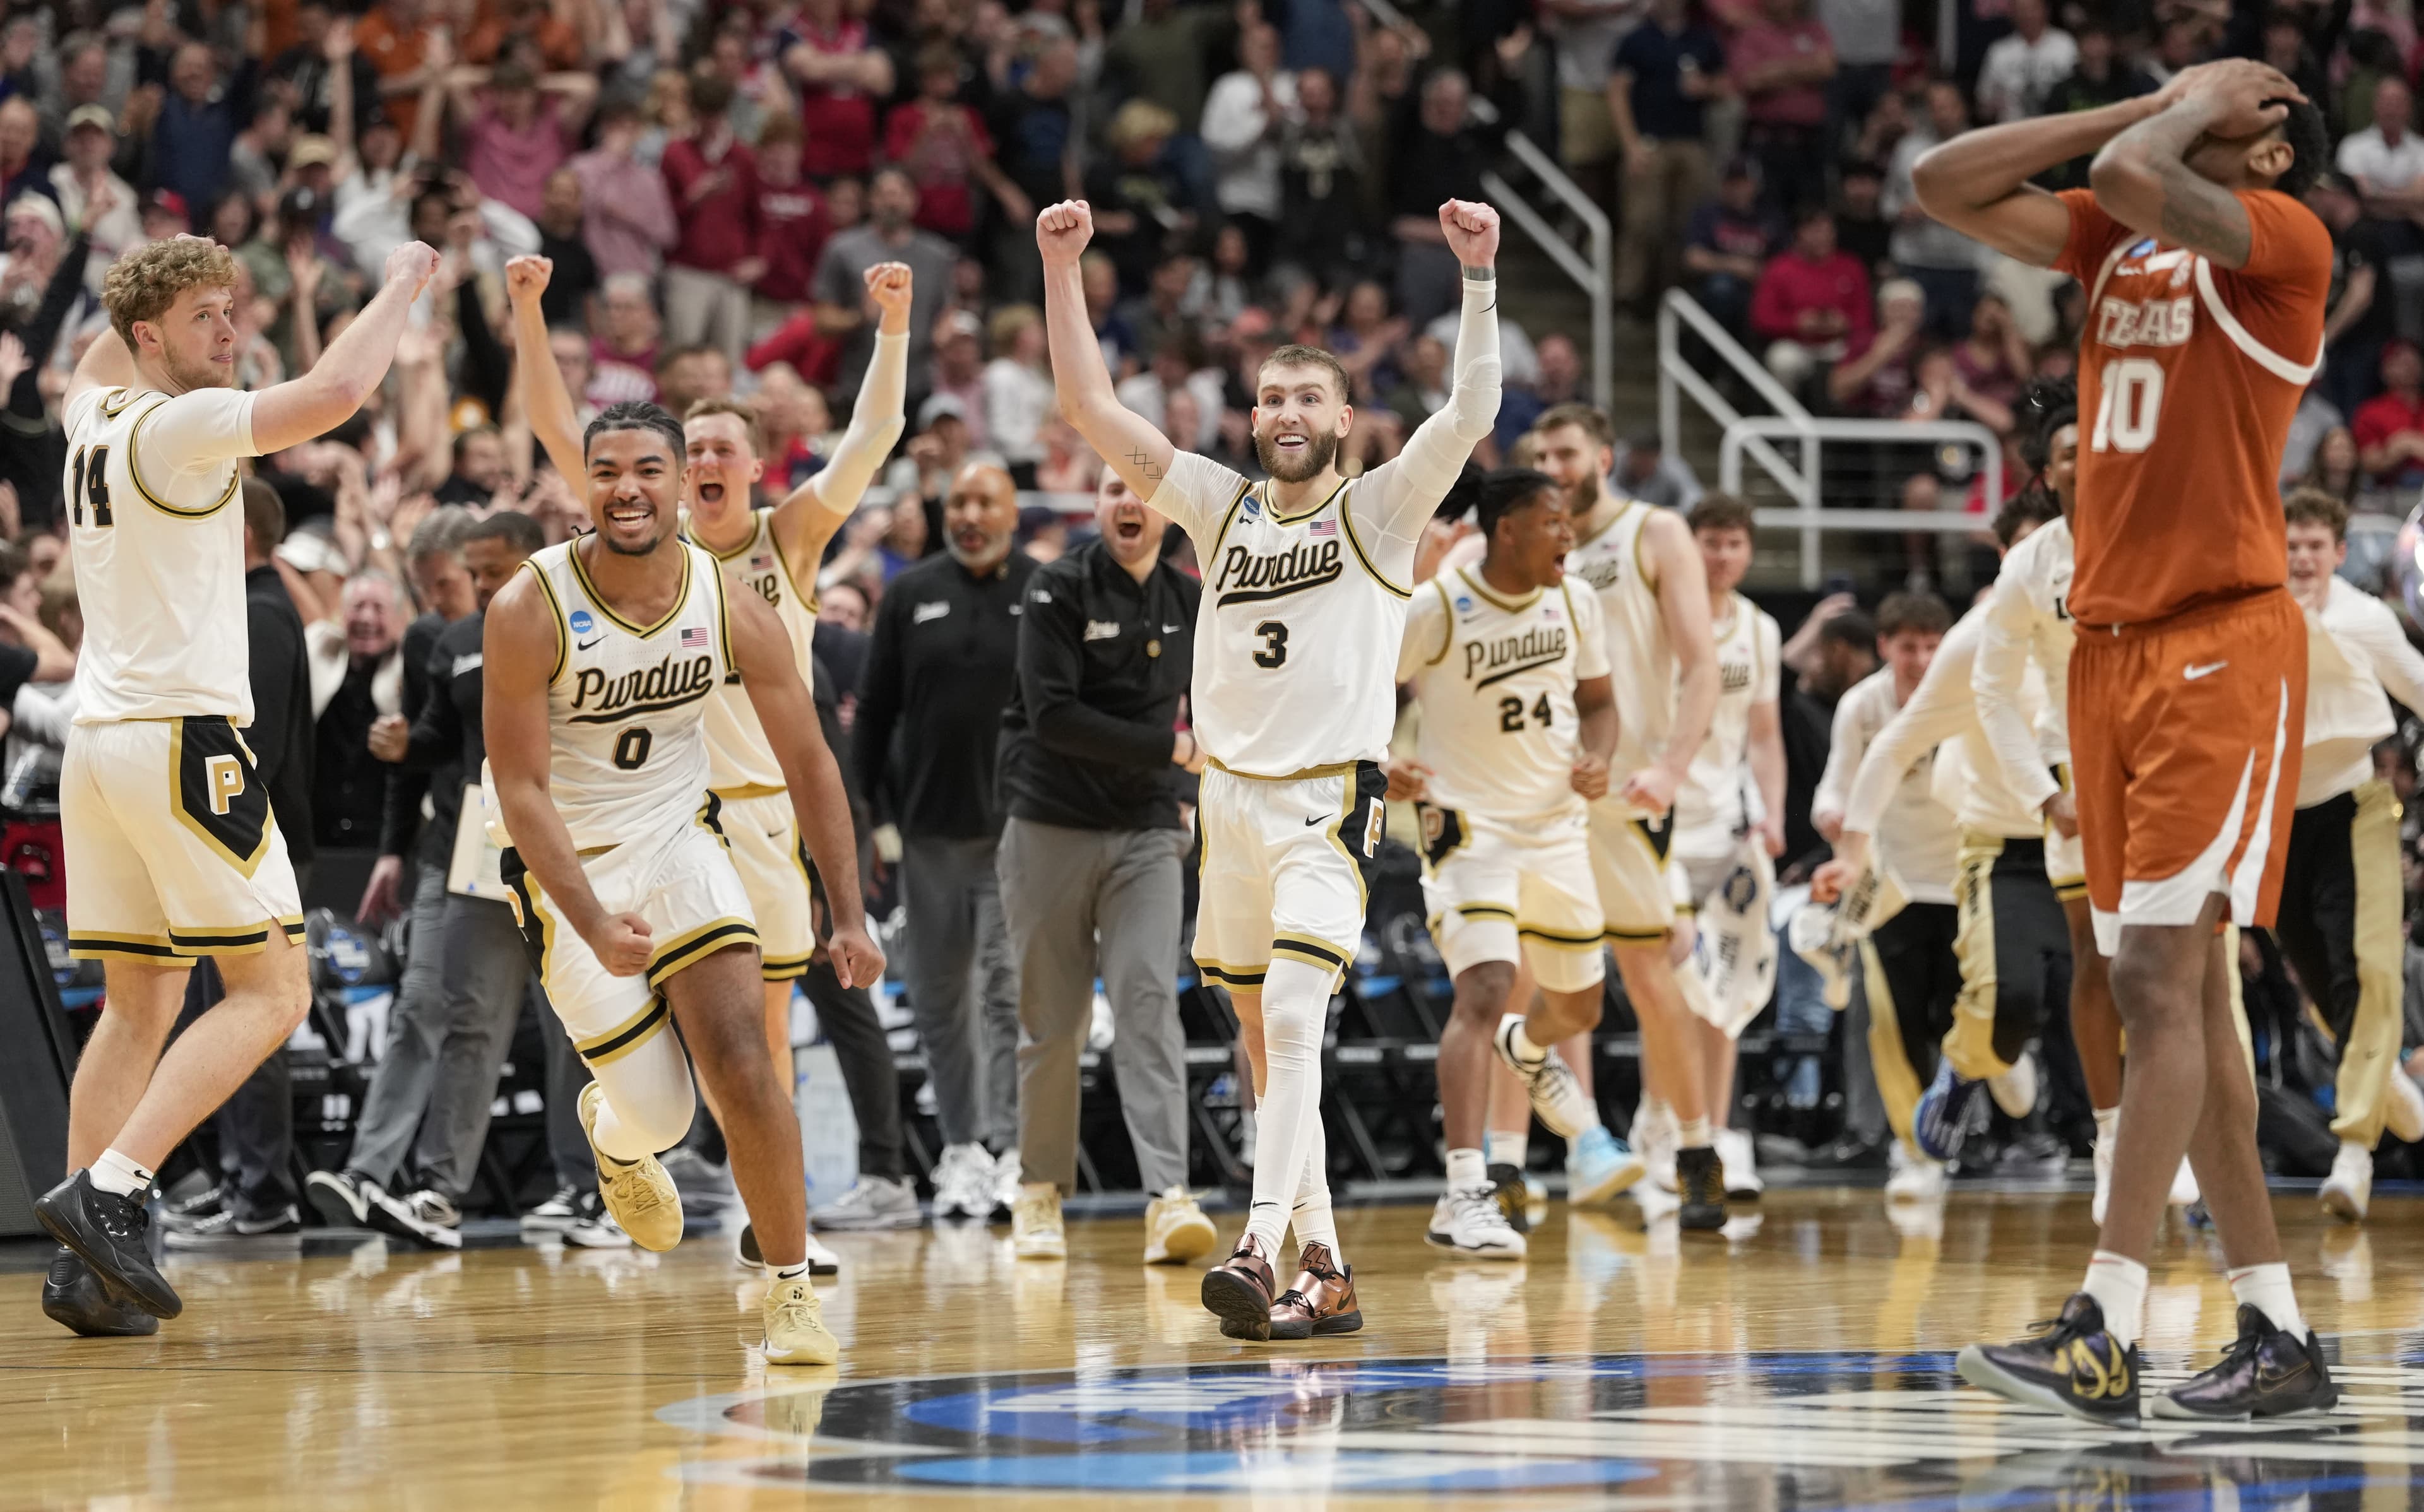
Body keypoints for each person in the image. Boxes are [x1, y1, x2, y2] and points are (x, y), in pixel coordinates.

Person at [1915, 55, 2339, 1422]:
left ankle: (2106, 1320)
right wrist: (2153, 102)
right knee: (2185, 1004)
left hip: (2219, 642)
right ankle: (2276, 1334)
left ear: (2269, 152)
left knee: (2161, 986)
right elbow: (1942, 182)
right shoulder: (2122, 237)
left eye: (2236, 110)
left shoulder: (2281, 244)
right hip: (2106, 652)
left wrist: (2190, 106)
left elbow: (2121, 176)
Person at [1040, 193, 1501, 1340]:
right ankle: (1328, 1269)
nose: (1290, 410)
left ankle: (1259, 1243)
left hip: (1325, 806)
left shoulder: (1381, 514)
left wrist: (1479, 279)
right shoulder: (1217, 505)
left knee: (1294, 1021)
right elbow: (1088, 405)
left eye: (1311, 397)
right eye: (1275, 396)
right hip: (1227, 808)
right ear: (1253, 415)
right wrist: (1064, 268)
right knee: (1264, 1045)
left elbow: (1472, 408)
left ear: (1345, 419)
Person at [38, 232, 437, 1336]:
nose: (233, 332)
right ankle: (113, 1193)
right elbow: (343, 390)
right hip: (181, 741)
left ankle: (85, 1271)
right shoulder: (180, 425)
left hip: (100, 747)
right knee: (274, 991)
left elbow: (92, 353)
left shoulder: (92, 412)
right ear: (150, 338)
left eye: (234, 310)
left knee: (139, 1005)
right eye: (208, 316)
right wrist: (402, 281)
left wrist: (154, 283)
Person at [513, 251, 916, 1260]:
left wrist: (894, 329)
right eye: (691, 447)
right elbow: (560, 427)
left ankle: (770, 1225)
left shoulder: (789, 540)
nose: (707, 461)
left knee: (761, 1037)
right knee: (617, 1001)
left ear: (755, 463)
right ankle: (625, 1152)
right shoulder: (640, 538)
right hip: (658, 808)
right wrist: (529, 311)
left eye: (726, 447)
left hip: (764, 810)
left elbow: (873, 438)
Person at [482, 398, 882, 1367]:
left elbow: (812, 761)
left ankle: (790, 1293)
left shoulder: (728, 598)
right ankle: (619, 1136)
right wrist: (585, 917)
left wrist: (849, 912)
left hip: (678, 840)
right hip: (566, 869)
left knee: (745, 1058)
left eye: (646, 470)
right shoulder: (528, 606)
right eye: (607, 470)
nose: (627, 488)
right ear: (585, 485)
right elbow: (521, 789)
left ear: (676, 487)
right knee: (665, 1114)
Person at [1390, 468, 1628, 1261]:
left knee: (1583, 1009)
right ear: (1509, 529)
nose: (1569, 533)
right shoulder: (1439, 607)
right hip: (1469, 827)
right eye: (1553, 521)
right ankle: (1466, 1190)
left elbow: (1599, 702)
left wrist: (1598, 757)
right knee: (1485, 986)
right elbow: (1366, 688)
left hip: (1556, 828)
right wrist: (1377, 757)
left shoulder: (1576, 601)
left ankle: (1529, 1050)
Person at [1814, 493, 2076, 1198]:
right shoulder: (1970, 644)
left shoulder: (2104, 615)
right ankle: (1932, 1128)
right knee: (1931, 1016)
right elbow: (1877, 756)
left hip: (2081, 845)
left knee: (2109, 996)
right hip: (1960, 857)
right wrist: (1849, 846)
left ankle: (2119, 1147)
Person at [996, 470, 1217, 1266]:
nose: (1131, 503)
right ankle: (1039, 1191)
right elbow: (1052, 714)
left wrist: (1199, 788)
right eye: (1115, 487)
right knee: (1054, 1021)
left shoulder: (1193, 599)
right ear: (1095, 504)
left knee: (1150, 998)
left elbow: (1224, 701)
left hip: (1149, 830)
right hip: (1050, 822)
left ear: (1171, 510)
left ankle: (1170, 1196)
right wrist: (1176, 749)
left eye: (1147, 491)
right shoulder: (1056, 588)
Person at [1532, 402, 1725, 1229]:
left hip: (1627, 792)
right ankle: (1550, 1158)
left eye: (1567, 452)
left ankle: (1696, 1149)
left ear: (1605, 456)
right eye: (1543, 455)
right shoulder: (1528, 540)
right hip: (1540, 792)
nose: (1555, 466)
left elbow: (1702, 663)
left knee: (1649, 975)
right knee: (1531, 976)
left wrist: (1674, 765)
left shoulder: (1655, 532)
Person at [854, 460, 1033, 1221]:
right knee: (936, 999)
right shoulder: (909, 593)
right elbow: (873, 718)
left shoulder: (1043, 588)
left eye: (984, 500)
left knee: (1005, 991)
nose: (969, 512)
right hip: (925, 834)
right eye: (958, 499)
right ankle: (962, 1149)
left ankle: (1016, 1151)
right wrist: (864, 819)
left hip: (1019, 830)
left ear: (1013, 512)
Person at [157, 481, 315, 1248]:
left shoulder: (258, 611)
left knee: (248, 1016)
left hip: (252, 846)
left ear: (240, 529)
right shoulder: (253, 606)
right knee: (228, 1016)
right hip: (244, 846)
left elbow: (258, 749)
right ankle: (240, 1182)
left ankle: (262, 1192)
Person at [2280, 489, 2424, 1222]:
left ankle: (2354, 1151)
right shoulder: (2253, 617)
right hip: (2274, 818)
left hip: (2355, 809)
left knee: (2366, 969)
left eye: (2314, 545)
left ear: (2339, 553)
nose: (2302, 557)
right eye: (2292, 544)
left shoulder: (2365, 619)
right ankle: (2388, 1082)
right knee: (2317, 977)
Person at [1667, 494, 1785, 1201]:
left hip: (1729, 830)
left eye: (1733, 543)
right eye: (1709, 542)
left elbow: (1765, 736)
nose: (1721, 556)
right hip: (1665, 830)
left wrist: (1771, 812)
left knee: (1727, 995)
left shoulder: (1761, 628)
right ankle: (1672, 1131)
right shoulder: (1664, 616)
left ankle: (1719, 1134)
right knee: (1675, 990)